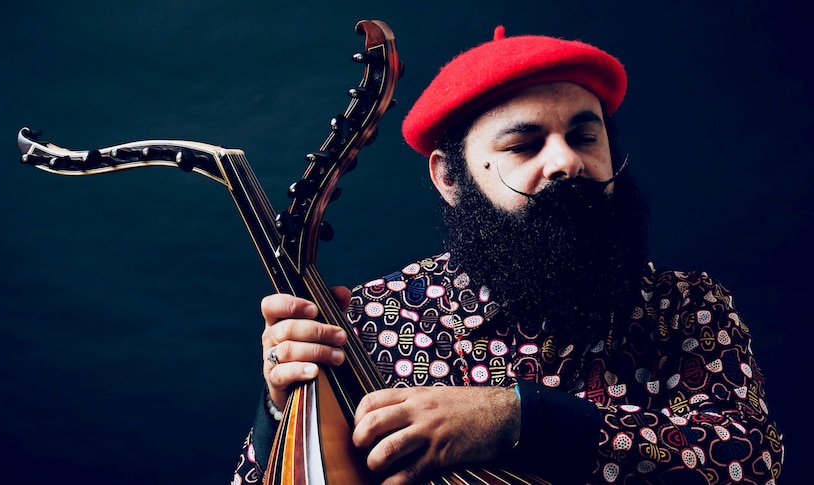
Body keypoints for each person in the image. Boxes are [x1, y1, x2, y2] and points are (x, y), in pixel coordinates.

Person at [232, 26, 785, 484]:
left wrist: (517, 417)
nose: (566, 162)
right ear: (450, 177)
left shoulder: (689, 306)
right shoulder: (374, 319)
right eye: (524, 144)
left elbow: (751, 460)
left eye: (584, 137)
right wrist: (282, 410)